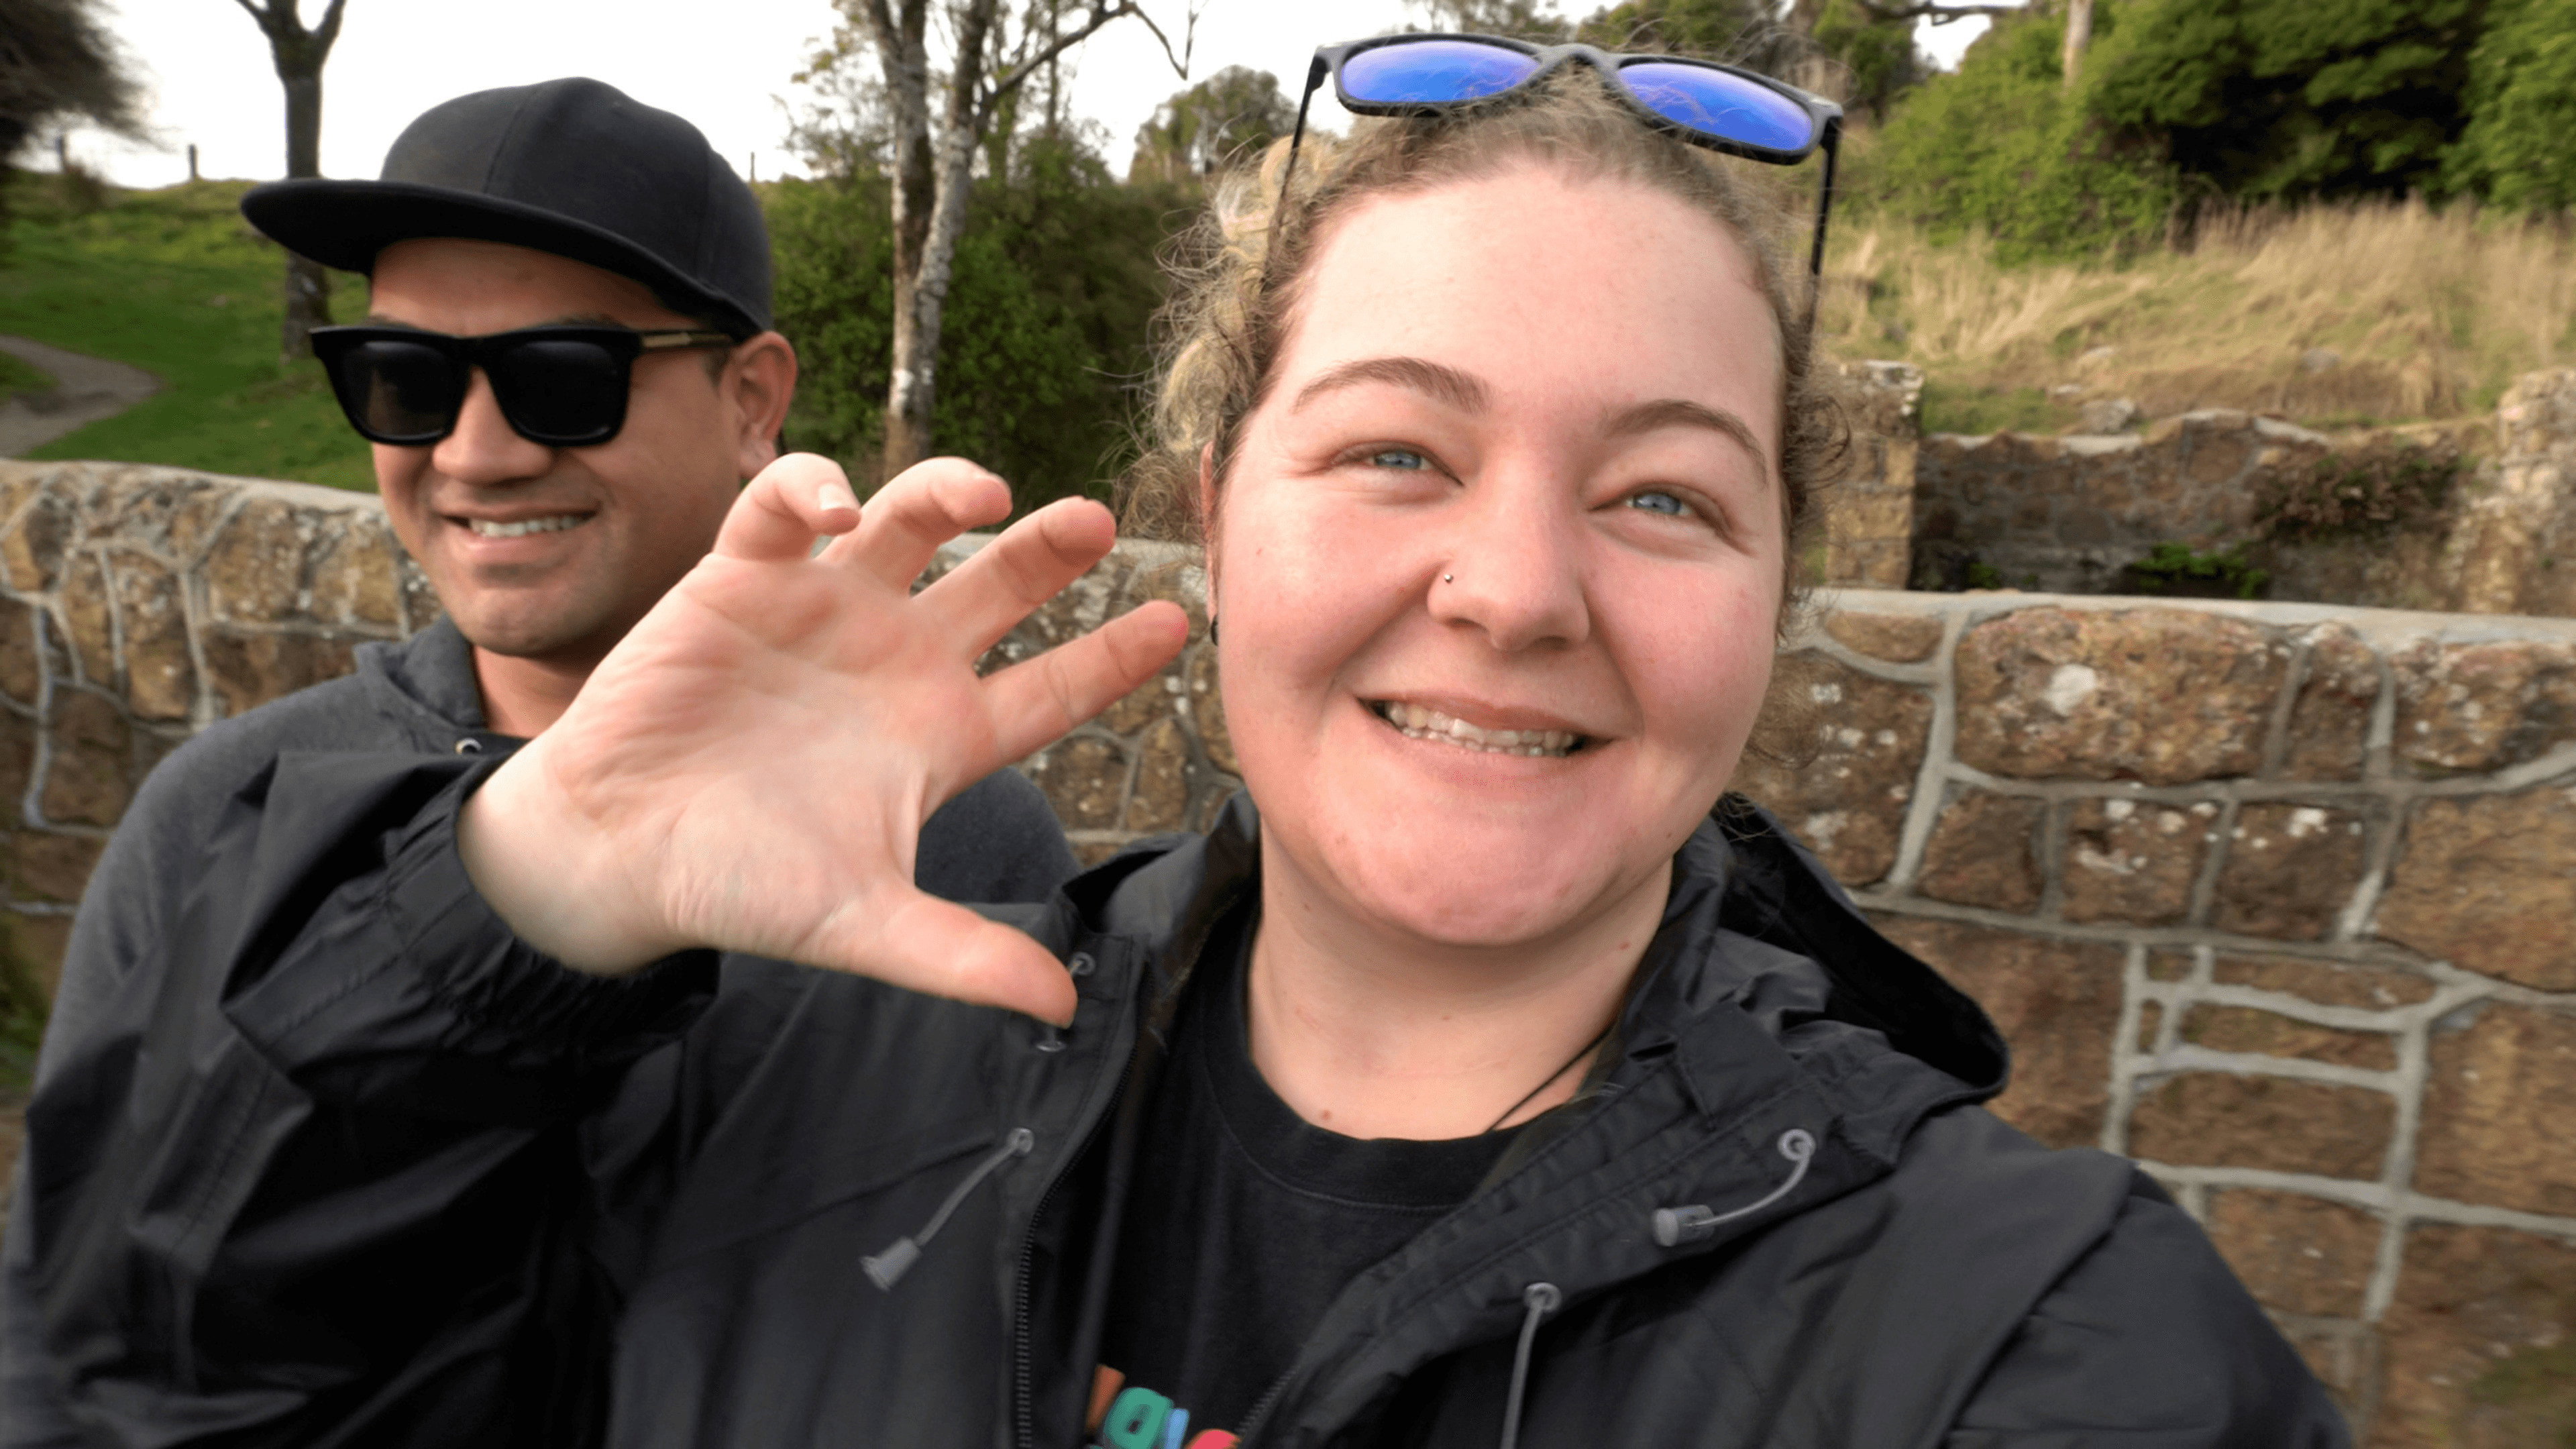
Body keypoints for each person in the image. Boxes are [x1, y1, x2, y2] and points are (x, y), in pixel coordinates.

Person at [12, 42, 2351, 1448]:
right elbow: (175, 1386)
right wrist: (518, 916)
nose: (1517, 589)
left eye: (1664, 495)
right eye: (1398, 452)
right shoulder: (834, 1091)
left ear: (1777, 590)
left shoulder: (2037, 1342)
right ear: (1215, 512)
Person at [0, 78, 1075, 1447]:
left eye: (563, 375)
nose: (475, 452)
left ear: (753, 399)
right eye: (402, 378)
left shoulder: (959, 837)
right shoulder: (225, 815)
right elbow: (65, 1348)